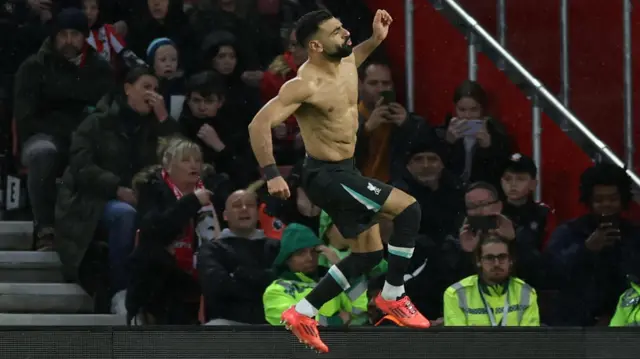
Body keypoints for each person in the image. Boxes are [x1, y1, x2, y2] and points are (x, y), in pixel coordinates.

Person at [247, 9, 429, 353]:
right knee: (409, 210)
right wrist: (271, 174)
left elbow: (356, 53)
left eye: (342, 26)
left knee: (368, 254)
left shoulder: (346, 63)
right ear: (315, 45)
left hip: (347, 170)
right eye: (336, 31)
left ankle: (303, 311)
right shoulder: (305, 84)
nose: (345, 33)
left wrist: (375, 39)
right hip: (325, 174)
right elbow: (258, 125)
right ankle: (393, 296)